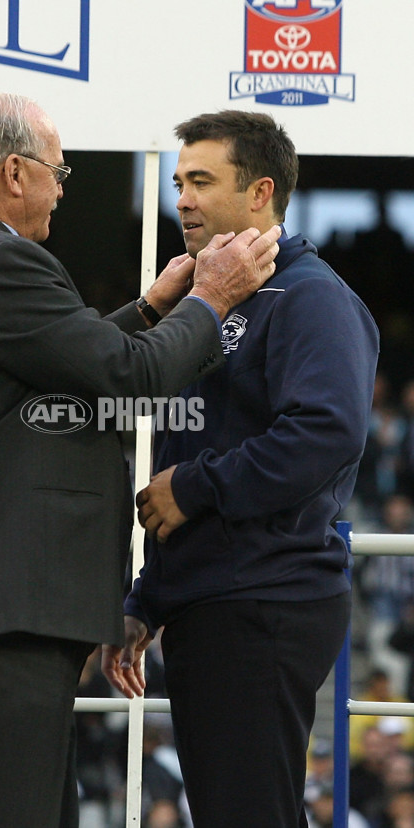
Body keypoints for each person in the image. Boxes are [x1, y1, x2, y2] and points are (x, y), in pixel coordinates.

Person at [0, 92, 281, 828]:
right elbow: (131, 379)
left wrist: (153, 310)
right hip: (4, 606)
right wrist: (212, 299)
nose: (63, 189)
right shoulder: (0, 262)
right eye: (59, 172)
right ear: (15, 172)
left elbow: (53, 372)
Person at [102, 110, 380, 828]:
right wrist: (149, 597)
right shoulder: (206, 299)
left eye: (200, 181)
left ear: (261, 192)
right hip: (216, 602)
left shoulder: (313, 298)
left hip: (264, 604)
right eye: (176, 182)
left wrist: (195, 489)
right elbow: (186, 452)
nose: (182, 200)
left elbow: (326, 432)